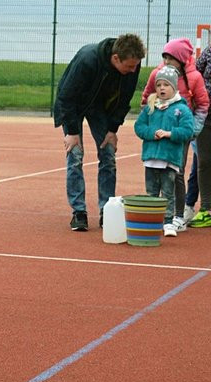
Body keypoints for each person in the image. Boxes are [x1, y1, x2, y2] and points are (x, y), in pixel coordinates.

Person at [53, 34, 146, 231]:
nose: (133, 70)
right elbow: (65, 97)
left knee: (108, 152)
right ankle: (79, 212)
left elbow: (124, 100)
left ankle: (107, 210)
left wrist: (113, 129)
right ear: (115, 58)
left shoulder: (133, 66)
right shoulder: (87, 59)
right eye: (129, 66)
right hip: (73, 106)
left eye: (135, 66)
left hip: (100, 108)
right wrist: (71, 131)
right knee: (75, 154)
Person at [140, 38, 209, 232]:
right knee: (154, 172)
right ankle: (155, 214)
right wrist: (150, 122)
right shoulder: (157, 74)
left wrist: (192, 131)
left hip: (180, 135)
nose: (167, 61)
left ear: (181, 59)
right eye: (165, 57)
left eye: (171, 58)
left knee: (176, 173)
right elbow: (146, 99)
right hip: (157, 134)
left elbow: (203, 104)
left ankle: (178, 215)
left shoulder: (194, 77)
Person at [133, 66, 195, 237]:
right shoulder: (150, 107)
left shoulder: (181, 109)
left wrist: (170, 134)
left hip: (169, 160)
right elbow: (139, 127)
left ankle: (168, 222)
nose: (161, 88)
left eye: (166, 85)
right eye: (159, 85)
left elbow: (188, 131)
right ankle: (152, 221)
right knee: (151, 192)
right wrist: (151, 134)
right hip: (151, 158)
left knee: (167, 192)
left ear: (174, 87)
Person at [189, 43, 211, 228]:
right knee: (203, 161)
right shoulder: (208, 52)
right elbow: (194, 74)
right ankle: (206, 209)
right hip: (206, 116)